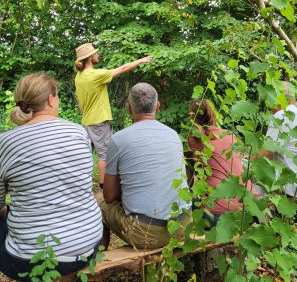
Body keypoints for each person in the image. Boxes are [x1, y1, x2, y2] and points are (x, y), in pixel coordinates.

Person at [0, 73, 102, 281]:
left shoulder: (5, 142)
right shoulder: (79, 133)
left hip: (30, 260)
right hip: (87, 245)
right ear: (50, 99)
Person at [98, 83, 192, 250]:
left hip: (146, 234)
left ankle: (100, 259)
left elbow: (109, 196)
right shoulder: (174, 135)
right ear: (158, 106)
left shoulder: (119, 139)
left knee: (99, 202)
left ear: (129, 109)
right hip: (182, 227)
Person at [74, 42, 152, 189]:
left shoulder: (79, 77)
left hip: (87, 121)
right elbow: (122, 69)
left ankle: (81, 184)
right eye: (95, 53)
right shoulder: (95, 75)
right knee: (104, 155)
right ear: (90, 58)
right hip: (99, 122)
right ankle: (104, 188)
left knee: (86, 154)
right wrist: (141, 60)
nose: (98, 55)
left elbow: (80, 102)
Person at [187, 99, 258, 226]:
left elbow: (189, 178)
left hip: (220, 216)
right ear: (214, 114)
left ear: (192, 116)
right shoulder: (229, 134)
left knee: (185, 196)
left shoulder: (195, 138)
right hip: (249, 210)